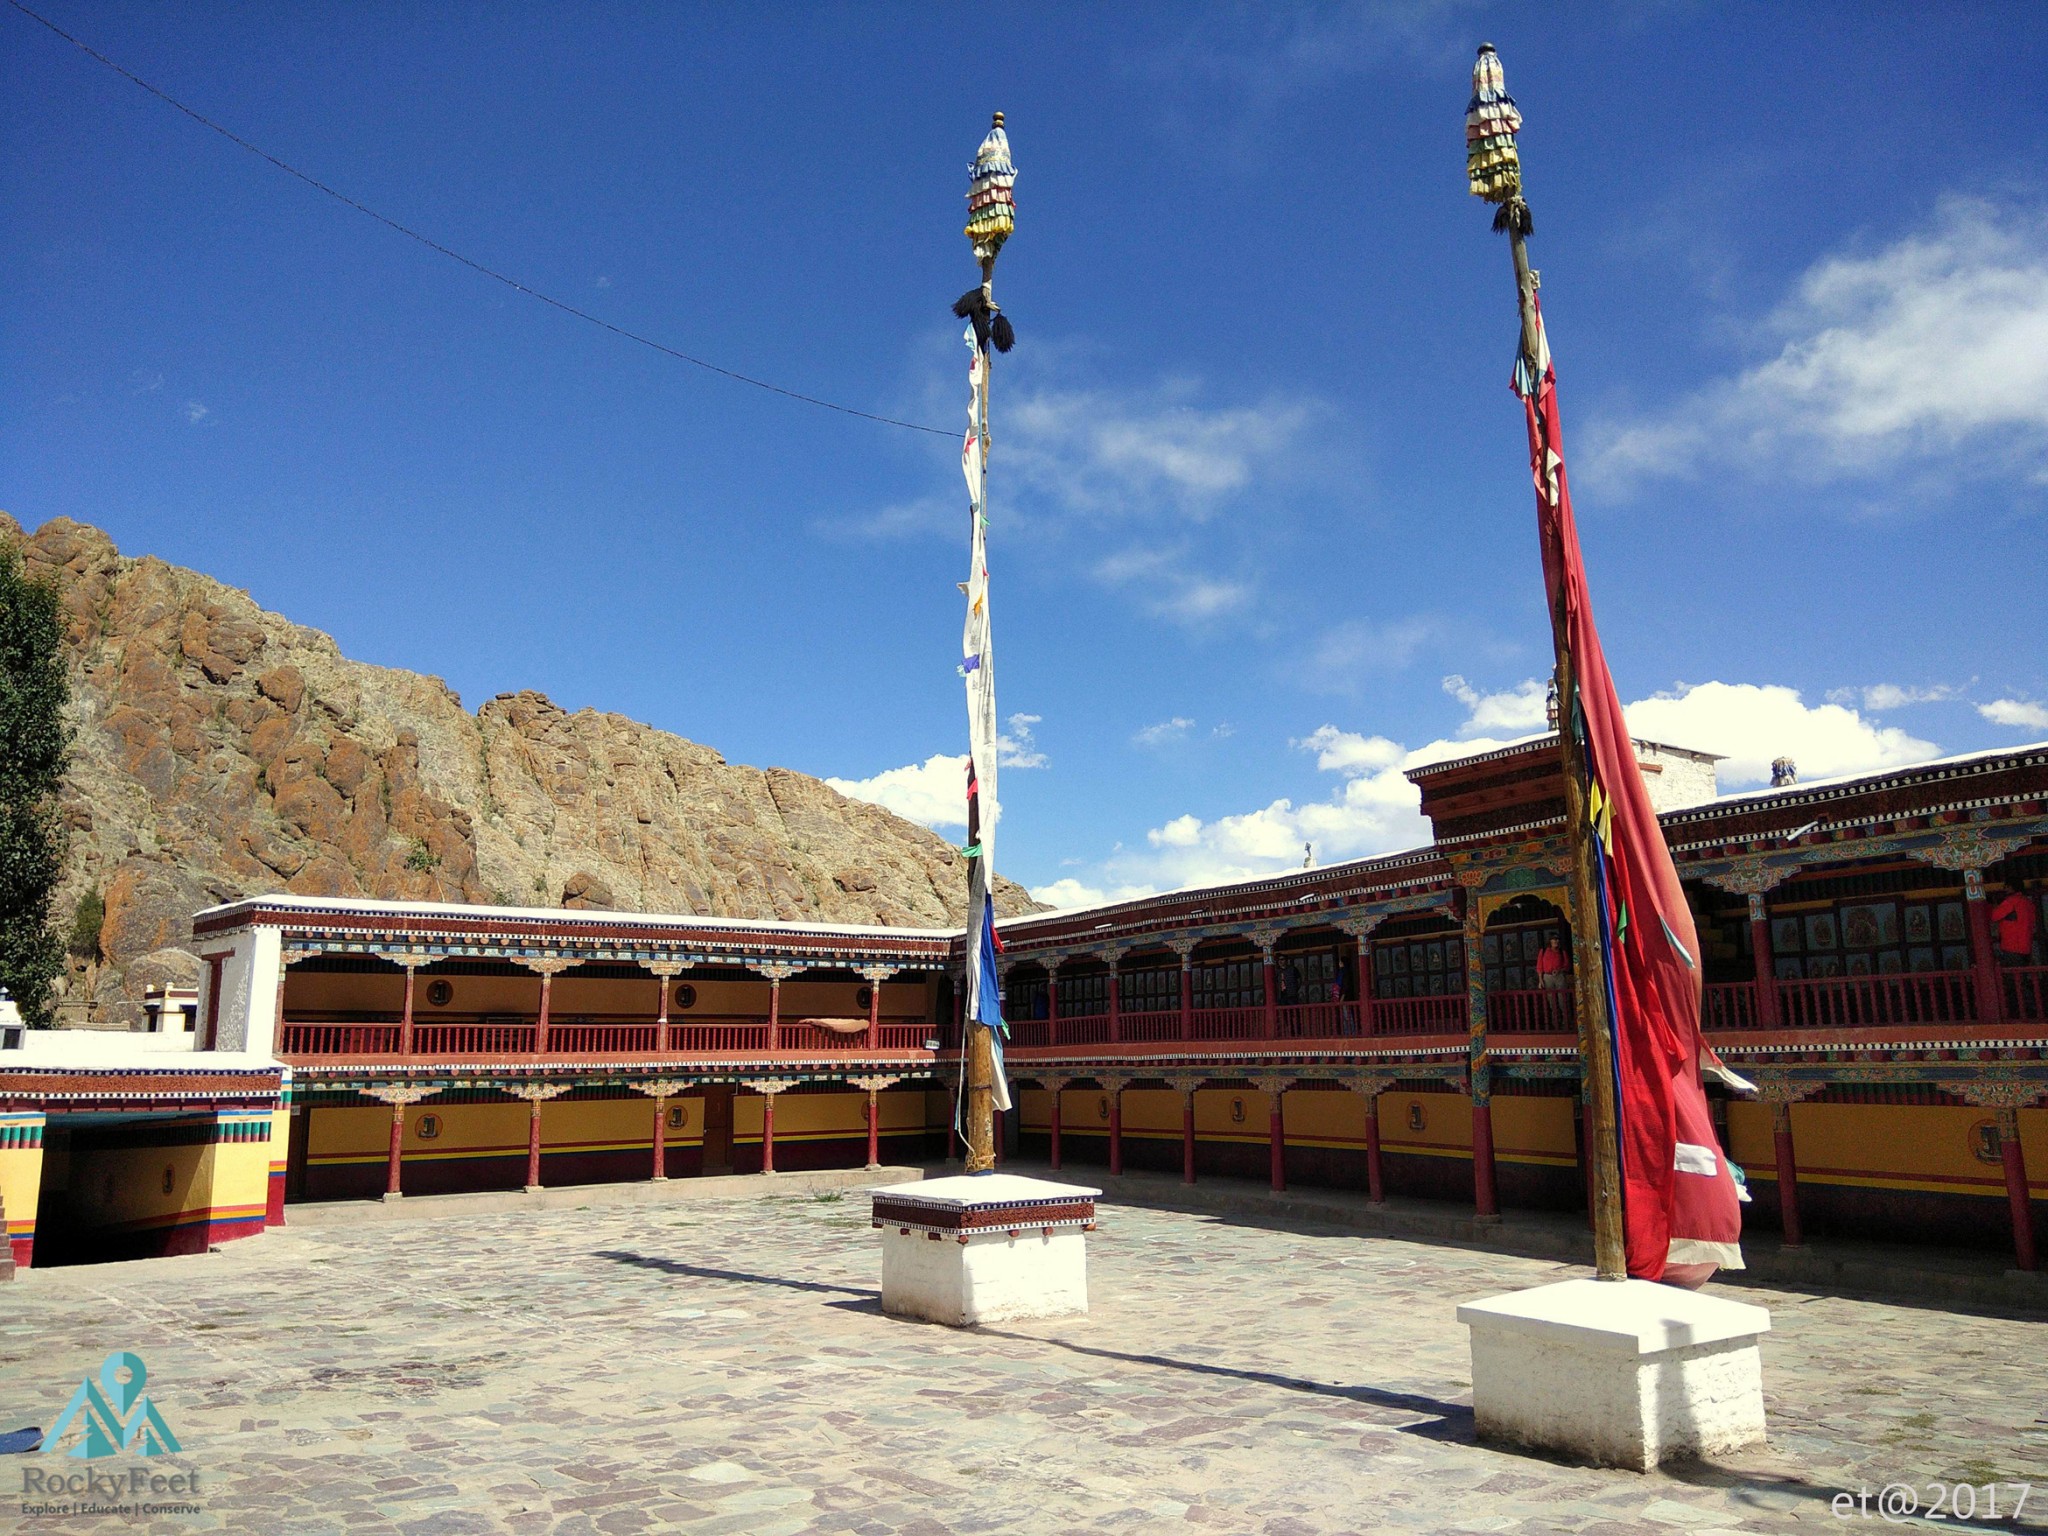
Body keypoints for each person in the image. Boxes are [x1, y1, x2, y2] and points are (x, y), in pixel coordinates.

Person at [1990, 883, 2039, 966]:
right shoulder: (2028, 902)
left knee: (2013, 972)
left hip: (2011, 945)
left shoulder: (2011, 901)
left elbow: (1994, 916)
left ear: (2011, 887)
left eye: (2006, 887)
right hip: (2027, 945)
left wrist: (1994, 905)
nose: (2004, 889)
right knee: (2023, 971)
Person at [1536, 935, 1569, 1022]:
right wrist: (1540, 980)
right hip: (1548, 976)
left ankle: (1565, 1020)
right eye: (1554, 939)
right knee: (1551, 999)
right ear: (1550, 941)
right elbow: (1539, 965)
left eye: (1557, 939)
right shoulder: (1544, 951)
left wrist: (1559, 970)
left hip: (1559, 976)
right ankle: (1555, 1021)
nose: (1556, 941)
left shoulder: (1561, 951)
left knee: (1562, 998)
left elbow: (1566, 965)